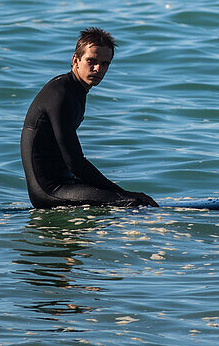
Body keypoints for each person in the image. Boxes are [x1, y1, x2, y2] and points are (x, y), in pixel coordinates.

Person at [20, 26, 158, 209]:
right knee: (133, 204)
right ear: (75, 60)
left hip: (67, 183)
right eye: (91, 61)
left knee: (127, 201)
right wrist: (123, 194)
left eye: (105, 63)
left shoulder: (74, 90)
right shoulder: (60, 94)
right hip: (50, 191)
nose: (98, 69)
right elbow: (75, 162)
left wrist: (117, 193)